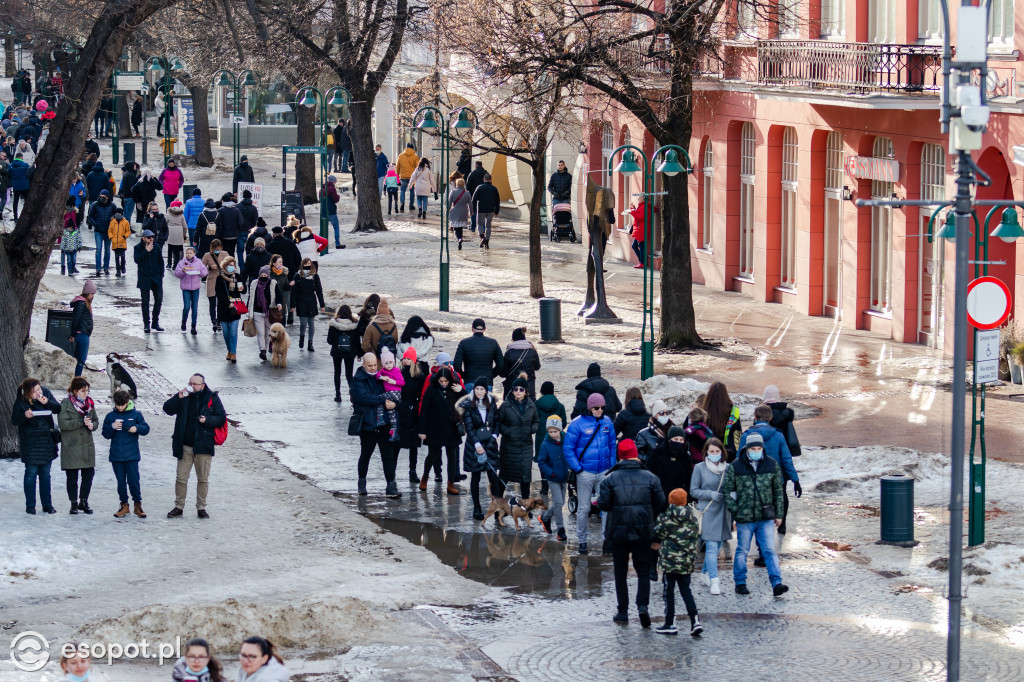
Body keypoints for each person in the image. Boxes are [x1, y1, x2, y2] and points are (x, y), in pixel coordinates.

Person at [598, 438, 666, 626]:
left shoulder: (609, 479)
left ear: (619, 456)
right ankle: (642, 606)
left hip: (618, 533)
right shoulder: (651, 477)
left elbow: (603, 505)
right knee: (643, 571)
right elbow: (660, 502)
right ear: (635, 454)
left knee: (620, 572)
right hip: (643, 531)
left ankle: (622, 611)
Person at [723, 432, 788, 596]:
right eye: (753, 448)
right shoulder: (736, 466)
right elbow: (728, 492)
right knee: (742, 550)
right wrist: (736, 511)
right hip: (745, 518)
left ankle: (777, 583)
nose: (756, 451)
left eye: (759, 448)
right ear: (747, 449)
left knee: (769, 550)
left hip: (765, 517)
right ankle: (740, 582)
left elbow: (778, 492)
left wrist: (779, 514)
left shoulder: (771, 464)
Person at [163, 374, 227, 519]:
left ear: (202, 385)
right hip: (185, 445)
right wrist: (177, 397)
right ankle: (179, 506)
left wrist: (207, 420)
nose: (192, 386)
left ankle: (201, 507)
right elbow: (167, 409)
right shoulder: (184, 396)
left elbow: (222, 418)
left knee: (203, 479)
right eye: (190, 383)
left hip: (203, 446)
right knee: (181, 478)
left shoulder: (212, 398)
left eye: (195, 384)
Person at [564, 393, 617, 555]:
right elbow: (568, 449)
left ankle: (607, 540)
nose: (600, 410)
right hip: (585, 472)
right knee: (584, 508)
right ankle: (582, 541)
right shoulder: (577, 424)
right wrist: (578, 468)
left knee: (607, 506)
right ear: (589, 408)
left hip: (604, 472)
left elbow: (612, 445)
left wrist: (612, 468)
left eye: (602, 408)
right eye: (596, 408)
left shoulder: (607, 422)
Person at [741, 404, 801, 541]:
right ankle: (779, 527)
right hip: (775, 478)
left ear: (755, 417)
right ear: (770, 417)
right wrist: (795, 480)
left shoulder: (747, 435)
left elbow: (740, 460)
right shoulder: (778, 435)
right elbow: (786, 459)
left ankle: (759, 540)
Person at [350, 352, 402, 497]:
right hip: (368, 424)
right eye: (370, 366)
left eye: (375, 365)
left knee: (388, 456)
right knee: (366, 454)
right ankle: (361, 483)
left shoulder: (383, 377)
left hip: (384, 422)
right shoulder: (358, 380)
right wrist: (383, 399)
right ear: (363, 365)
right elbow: (363, 397)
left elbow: (395, 392)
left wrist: (394, 403)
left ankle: (391, 486)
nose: (373, 368)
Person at [652, 488, 703, 636]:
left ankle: (670, 623)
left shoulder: (666, 518)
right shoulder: (692, 518)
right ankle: (695, 620)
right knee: (686, 591)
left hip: (670, 562)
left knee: (669, 592)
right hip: (686, 561)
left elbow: (657, 533)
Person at [11, 378, 61, 514]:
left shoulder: (45, 393)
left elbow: (58, 408)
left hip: (46, 440)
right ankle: (30, 505)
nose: (38, 393)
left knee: (45, 474)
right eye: (34, 392)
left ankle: (47, 504)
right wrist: (25, 415)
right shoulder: (21, 400)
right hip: (30, 442)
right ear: (27, 393)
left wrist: (47, 402)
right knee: (31, 473)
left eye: (39, 389)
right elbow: (14, 420)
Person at [690, 437, 731, 595]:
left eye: (717, 451)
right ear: (706, 452)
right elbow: (693, 490)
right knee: (712, 547)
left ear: (722, 452)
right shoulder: (699, 468)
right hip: (707, 511)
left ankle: (705, 572)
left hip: (724, 511)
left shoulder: (728, 468)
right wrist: (710, 494)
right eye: (712, 451)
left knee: (718, 544)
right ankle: (715, 581)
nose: (715, 454)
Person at [102, 389, 150, 518]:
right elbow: (105, 434)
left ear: (127, 402)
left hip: (132, 455)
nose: (120, 407)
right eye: (118, 405)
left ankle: (137, 505)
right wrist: (112, 427)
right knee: (121, 482)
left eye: (122, 405)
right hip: (116, 455)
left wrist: (137, 428)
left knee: (134, 480)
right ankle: (124, 505)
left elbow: (146, 429)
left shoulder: (136, 415)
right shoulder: (110, 416)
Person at [417, 366, 464, 495]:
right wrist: (422, 430)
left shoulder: (455, 389)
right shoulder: (431, 390)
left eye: (446, 381)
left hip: (451, 427)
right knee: (432, 455)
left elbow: (468, 402)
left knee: (452, 456)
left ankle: (450, 483)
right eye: (441, 381)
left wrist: (461, 391)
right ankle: (425, 477)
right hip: (435, 428)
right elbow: (424, 410)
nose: (443, 384)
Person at [457, 380, 501, 519]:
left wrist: (494, 436)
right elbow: (469, 428)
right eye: (477, 389)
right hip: (474, 445)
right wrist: (477, 445)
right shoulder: (468, 405)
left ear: (486, 390)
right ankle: (477, 508)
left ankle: (497, 507)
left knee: (493, 476)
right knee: (475, 476)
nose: (479, 391)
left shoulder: (492, 403)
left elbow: (497, 421)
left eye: (482, 389)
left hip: (490, 443)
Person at [59, 378, 99, 516]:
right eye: (83, 391)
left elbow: (95, 420)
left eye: (87, 391)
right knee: (72, 476)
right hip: (72, 445)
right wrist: (81, 422)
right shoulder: (66, 404)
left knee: (88, 474)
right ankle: (73, 503)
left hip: (86, 445)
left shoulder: (89, 404)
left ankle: (84, 500)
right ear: (75, 391)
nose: (86, 393)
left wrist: (92, 425)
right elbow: (63, 424)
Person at [495, 376, 539, 497]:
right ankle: (498, 505)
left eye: (521, 389)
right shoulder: (506, 405)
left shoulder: (531, 405)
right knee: (504, 476)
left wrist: (531, 429)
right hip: (509, 447)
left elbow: (536, 421)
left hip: (526, 447)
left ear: (526, 391)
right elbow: (498, 422)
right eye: (515, 389)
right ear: (512, 390)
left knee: (525, 477)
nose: (518, 391)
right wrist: (507, 431)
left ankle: (525, 506)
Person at [537, 415, 569, 541]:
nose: (553, 434)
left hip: (565, 477)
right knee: (558, 503)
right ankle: (560, 530)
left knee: (560, 503)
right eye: (550, 432)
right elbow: (541, 462)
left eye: (555, 431)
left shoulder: (567, 440)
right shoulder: (545, 444)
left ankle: (545, 517)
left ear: (560, 430)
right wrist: (551, 473)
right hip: (553, 478)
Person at [453, 318, 504, 392]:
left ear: (472, 329)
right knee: (486, 402)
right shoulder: (493, 343)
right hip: (487, 381)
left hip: (470, 381)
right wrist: (491, 375)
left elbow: (457, 364)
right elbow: (501, 364)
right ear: (485, 329)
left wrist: (464, 375)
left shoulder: (464, 343)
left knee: (470, 403)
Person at [701, 381, 743, 460]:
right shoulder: (733, 412)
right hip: (729, 456)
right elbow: (738, 436)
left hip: (709, 455)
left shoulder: (703, 412)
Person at [290, 258, 325, 351]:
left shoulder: (315, 276)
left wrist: (322, 305)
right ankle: (302, 337)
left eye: (309, 263)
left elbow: (319, 291)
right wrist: (292, 305)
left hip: (312, 302)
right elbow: (293, 292)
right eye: (305, 264)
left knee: (311, 323)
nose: (307, 265)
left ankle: (310, 342)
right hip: (301, 301)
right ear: (302, 265)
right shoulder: (297, 276)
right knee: (303, 323)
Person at [215, 255, 245, 362]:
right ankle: (229, 349)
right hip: (224, 308)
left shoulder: (237, 277)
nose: (232, 267)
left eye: (233, 265)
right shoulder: (220, 278)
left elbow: (242, 291)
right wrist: (228, 303)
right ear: (225, 266)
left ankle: (233, 353)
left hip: (235, 308)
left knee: (233, 332)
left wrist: (242, 288)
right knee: (226, 333)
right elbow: (219, 293)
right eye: (230, 265)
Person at [135, 229, 165, 333]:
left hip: (156, 278)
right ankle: (146, 324)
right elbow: (137, 260)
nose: (151, 239)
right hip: (144, 278)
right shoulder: (138, 248)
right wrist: (146, 251)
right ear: (143, 238)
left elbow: (160, 261)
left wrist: (161, 274)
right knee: (145, 302)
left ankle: (155, 322)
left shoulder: (156, 247)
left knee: (159, 300)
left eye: (152, 237)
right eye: (149, 237)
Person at [250, 265, 283, 362]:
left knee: (268, 333)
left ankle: (267, 346)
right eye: (262, 275)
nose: (263, 276)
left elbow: (278, 296)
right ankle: (262, 350)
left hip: (270, 312)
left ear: (268, 275)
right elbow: (251, 297)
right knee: (261, 332)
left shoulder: (273, 283)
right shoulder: (254, 283)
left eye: (265, 275)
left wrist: (279, 304)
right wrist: (249, 311)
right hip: (257, 312)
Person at [328, 304, 360, 399]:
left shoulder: (334, 324)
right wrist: (359, 353)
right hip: (350, 353)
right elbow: (357, 342)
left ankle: (338, 394)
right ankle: (352, 392)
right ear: (350, 313)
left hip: (337, 352)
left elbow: (329, 341)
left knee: (337, 372)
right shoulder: (354, 325)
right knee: (349, 373)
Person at [174, 246, 209, 335]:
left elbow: (205, 272)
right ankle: (184, 321)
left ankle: (193, 326)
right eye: (187, 253)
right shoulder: (182, 263)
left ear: (194, 254)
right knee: (186, 307)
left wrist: (200, 272)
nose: (189, 255)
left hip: (196, 288)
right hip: (186, 288)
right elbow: (177, 273)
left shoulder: (198, 262)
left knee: (195, 307)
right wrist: (183, 271)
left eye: (190, 253)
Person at [500, 327, 541, 400]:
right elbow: (537, 367)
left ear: (513, 340)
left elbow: (503, 373)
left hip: (512, 390)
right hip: (529, 390)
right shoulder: (532, 351)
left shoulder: (509, 353)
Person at [763, 384, 801, 457]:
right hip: (784, 449)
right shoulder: (788, 413)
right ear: (777, 396)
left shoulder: (762, 413)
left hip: (767, 450)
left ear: (765, 396)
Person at [68, 281, 95, 376]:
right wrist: (73, 334)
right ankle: (77, 380)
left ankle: (77, 379)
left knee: (81, 360)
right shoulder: (82, 304)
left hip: (83, 334)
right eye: (92, 294)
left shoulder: (83, 303)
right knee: (81, 360)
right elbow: (76, 320)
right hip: (82, 334)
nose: (93, 296)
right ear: (87, 293)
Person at [636, 399, 672, 463]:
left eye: (667, 412)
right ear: (655, 415)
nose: (665, 415)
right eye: (661, 413)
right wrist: (652, 459)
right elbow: (637, 454)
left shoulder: (673, 430)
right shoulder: (643, 434)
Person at [87, 190, 115, 274]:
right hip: (98, 231)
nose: (102, 198)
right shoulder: (95, 205)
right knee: (98, 249)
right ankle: (98, 268)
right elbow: (90, 216)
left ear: (107, 197)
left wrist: (112, 223)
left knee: (107, 250)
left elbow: (116, 216)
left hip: (108, 231)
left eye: (104, 197)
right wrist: (96, 224)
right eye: (100, 196)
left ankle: (106, 267)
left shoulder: (112, 206)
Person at [471, 172, 500, 249]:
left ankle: (482, 237)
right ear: (491, 180)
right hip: (490, 210)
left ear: (484, 179)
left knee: (479, 225)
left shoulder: (479, 188)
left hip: (481, 209)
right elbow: (497, 201)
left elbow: (474, 199)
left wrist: (472, 209)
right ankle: (486, 241)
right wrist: (496, 211)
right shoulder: (494, 189)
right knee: (488, 226)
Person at [202, 240, 224, 333]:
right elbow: (202, 269)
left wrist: (224, 267)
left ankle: (219, 321)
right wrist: (210, 268)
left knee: (221, 303)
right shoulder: (207, 255)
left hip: (222, 280)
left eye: (218, 249)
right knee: (212, 303)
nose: (217, 251)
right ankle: (213, 321)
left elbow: (231, 264)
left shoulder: (225, 254)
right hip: (212, 280)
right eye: (215, 249)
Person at [629, 200, 657, 268]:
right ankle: (642, 262)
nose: (638, 200)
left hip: (641, 230)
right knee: (635, 246)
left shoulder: (644, 207)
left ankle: (642, 263)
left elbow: (641, 217)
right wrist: (633, 208)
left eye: (639, 198)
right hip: (640, 229)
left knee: (641, 246)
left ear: (643, 199)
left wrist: (632, 211)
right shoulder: (643, 206)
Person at [215, 192, 244, 258]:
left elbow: (217, 223)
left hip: (223, 235)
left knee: (224, 252)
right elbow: (241, 223)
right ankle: (232, 265)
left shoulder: (220, 211)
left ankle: (226, 265)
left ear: (223, 200)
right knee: (232, 252)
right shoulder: (236, 210)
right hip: (234, 235)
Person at [236, 190, 258, 267]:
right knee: (249, 251)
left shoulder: (237, 207)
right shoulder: (253, 208)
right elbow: (255, 220)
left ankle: (242, 268)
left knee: (240, 251)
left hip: (240, 231)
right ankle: (249, 266)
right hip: (250, 231)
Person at [108, 208, 132, 277]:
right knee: (116, 257)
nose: (118, 214)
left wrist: (124, 236)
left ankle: (123, 266)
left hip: (122, 242)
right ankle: (118, 270)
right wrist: (111, 237)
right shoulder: (112, 222)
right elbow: (110, 231)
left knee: (122, 256)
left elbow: (128, 231)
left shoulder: (125, 222)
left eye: (119, 213)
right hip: (115, 242)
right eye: (116, 213)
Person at [448, 178, 471, 249]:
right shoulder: (467, 193)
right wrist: (471, 211)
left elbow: (449, 203)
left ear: (456, 184)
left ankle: (459, 239)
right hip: (463, 212)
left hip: (455, 212)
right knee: (460, 228)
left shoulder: (453, 192)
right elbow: (470, 204)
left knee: (455, 228)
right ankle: (460, 238)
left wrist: (447, 210)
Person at [396, 142, 419, 211]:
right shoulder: (415, 156)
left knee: (402, 190)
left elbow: (398, 166)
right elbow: (417, 167)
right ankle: (411, 205)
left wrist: (397, 175)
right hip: (412, 177)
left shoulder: (400, 156)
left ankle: (402, 203)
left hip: (403, 176)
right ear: (412, 148)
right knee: (412, 191)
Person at [165, 199, 188, 268]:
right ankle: (175, 265)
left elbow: (165, 224)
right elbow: (185, 226)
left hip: (170, 232)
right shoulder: (181, 215)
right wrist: (184, 234)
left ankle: (169, 264)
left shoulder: (168, 215)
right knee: (178, 249)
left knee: (170, 249)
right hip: (179, 232)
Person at [465, 161, 486, 234]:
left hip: (473, 194)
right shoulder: (485, 173)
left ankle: (473, 227)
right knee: (482, 212)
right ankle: (483, 227)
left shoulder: (472, 174)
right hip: (483, 195)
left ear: (476, 165)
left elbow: (468, 185)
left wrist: (469, 194)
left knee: (473, 210)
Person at [322, 174, 342, 248]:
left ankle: (320, 243)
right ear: (333, 182)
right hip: (331, 211)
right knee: (336, 227)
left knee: (323, 228)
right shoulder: (332, 189)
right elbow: (336, 199)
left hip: (323, 211)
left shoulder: (322, 189)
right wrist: (338, 196)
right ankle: (337, 243)